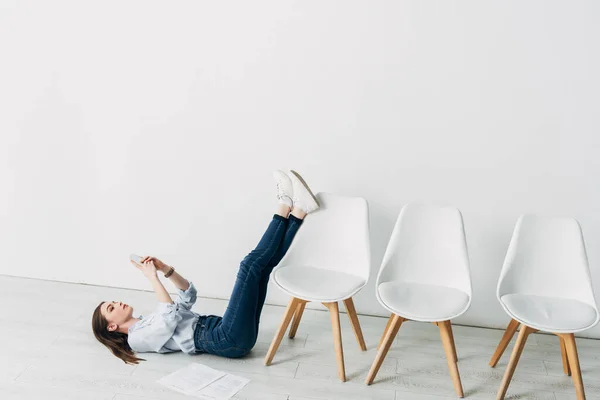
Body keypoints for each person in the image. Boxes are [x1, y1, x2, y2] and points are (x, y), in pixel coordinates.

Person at [91, 170, 319, 364]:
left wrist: (165, 269)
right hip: (225, 339)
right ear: (111, 327)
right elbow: (169, 316)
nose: (117, 303)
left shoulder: (145, 320)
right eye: (112, 308)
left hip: (220, 328)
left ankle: (299, 211)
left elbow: (188, 296)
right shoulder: (136, 339)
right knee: (249, 266)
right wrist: (152, 278)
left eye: (112, 302)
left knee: (261, 270)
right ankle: (284, 204)